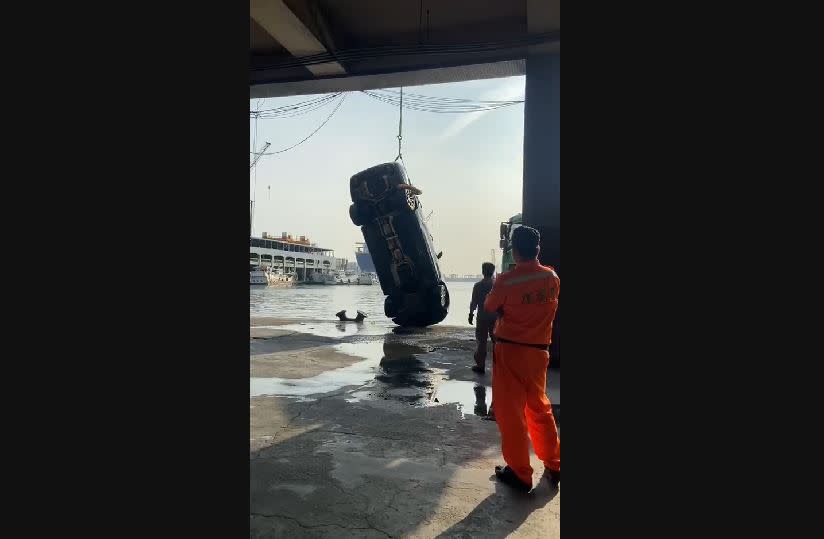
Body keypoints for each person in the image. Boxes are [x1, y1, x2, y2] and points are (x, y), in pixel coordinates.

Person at [483, 225, 560, 492]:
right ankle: (554, 463)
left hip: (510, 352)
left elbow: (490, 307)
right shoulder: (552, 277)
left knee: (511, 413)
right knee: (540, 407)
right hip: (539, 352)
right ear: (537, 250)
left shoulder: (505, 281)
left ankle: (520, 473)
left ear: (514, 251)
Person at [469, 262, 498, 374]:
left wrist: (471, 314)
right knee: (497, 341)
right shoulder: (496, 285)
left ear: (483, 271)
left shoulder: (478, 286)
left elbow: (474, 302)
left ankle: (480, 366)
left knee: (481, 342)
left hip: (482, 316)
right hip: (495, 316)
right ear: (493, 271)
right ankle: (499, 365)